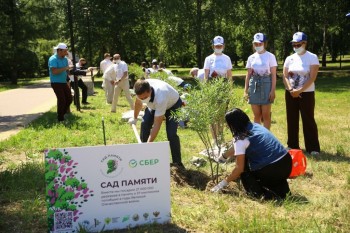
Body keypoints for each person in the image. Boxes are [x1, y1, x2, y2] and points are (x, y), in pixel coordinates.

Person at [211, 108, 292, 201]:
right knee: (274, 175)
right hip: (286, 164)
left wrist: (221, 184)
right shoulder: (257, 126)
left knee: (244, 165)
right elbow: (238, 147)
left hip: (270, 170)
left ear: (232, 125)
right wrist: (224, 156)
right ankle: (281, 190)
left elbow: (239, 169)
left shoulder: (240, 139)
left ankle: (258, 194)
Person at [128, 78, 184, 168]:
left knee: (171, 133)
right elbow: (138, 104)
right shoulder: (140, 89)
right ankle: (142, 154)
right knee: (145, 123)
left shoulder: (161, 96)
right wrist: (134, 118)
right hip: (155, 105)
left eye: (145, 98)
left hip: (173, 105)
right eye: (141, 98)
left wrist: (149, 144)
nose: (143, 100)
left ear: (150, 91)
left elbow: (157, 124)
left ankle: (177, 163)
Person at [283, 32, 320, 155]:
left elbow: (312, 77)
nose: (296, 46)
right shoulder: (289, 58)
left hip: (307, 93)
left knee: (308, 119)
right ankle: (292, 145)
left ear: (305, 43)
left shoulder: (312, 57)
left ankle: (313, 147)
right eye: (294, 44)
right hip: (290, 93)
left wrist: (300, 90)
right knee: (291, 119)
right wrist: (291, 90)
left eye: (298, 44)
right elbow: (285, 76)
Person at [203, 36, 233, 146]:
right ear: (213, 46)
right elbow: (206, 76)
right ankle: (214, 139)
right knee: (212, 113)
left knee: (221, 113)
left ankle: (220, 137)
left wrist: (230, 89)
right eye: (216, 46)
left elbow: (229, 75)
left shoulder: (227, 58)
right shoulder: (208, 58)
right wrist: (206, 90)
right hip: (212, 85)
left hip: (224, 85)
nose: (218, 47)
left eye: (220, 46)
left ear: (223, 46)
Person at [244, 33, 277, 130]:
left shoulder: (270, 56)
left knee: (266, 115)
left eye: (260, 44)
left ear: (265, 43)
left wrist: (272, 91)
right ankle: (258, 137)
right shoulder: (251, 57)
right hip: (254, 85)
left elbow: (274, 75)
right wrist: (245, 90)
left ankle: (267, 138)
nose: (258, 46)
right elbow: (248, 74)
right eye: (256, 44)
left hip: (266, 84)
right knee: (256, 115)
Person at [48, 43, 72, 122]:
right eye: (65, 51)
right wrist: (66, 68)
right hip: (56, 82)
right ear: (59, 51)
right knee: (62, 100)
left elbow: (67, 70)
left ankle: (62, 114)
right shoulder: (53, 59)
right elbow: (54, 71)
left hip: (63, 82)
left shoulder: (65, 59)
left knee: (69, 99)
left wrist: (72, 72)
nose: (66, 53)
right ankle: (60, 118)